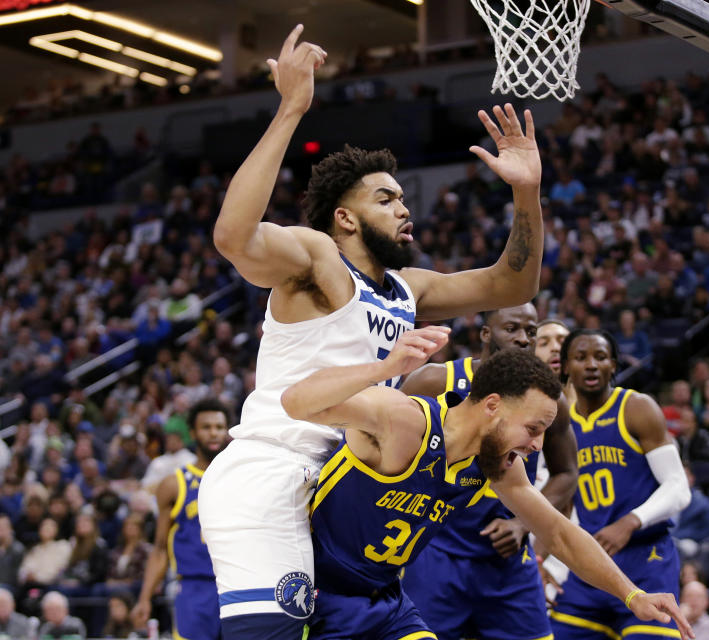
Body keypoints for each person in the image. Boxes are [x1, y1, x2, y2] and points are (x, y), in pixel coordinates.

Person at [199, 24, 546, 636]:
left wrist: (526, 195)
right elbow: (232, 237)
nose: (404, 208)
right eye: (386, 199)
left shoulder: (411, 287)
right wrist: (290, 110)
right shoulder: (315, 258)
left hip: (344, 486)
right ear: (345, 218)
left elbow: (511, 286)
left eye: (403, 197)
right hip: (276, 466)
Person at [280, 329, 693, 639]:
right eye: (534, 428)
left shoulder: (492, 464)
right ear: (492, 405)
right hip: (316, 595)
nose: (536, 446)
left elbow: (559, 533)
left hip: (385, 600)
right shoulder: (404, 421)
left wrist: (632, 594)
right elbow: (295, 401)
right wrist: (385, 370)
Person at [398, 304, 578, 640]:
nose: (523, 339)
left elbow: (567, 472)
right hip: (436, 553)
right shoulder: (435, 380)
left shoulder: (549, 400)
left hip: (507, 560)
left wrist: (523, 522)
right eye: (512, 329)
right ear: (485, 333)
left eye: (530, 331)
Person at [549, 329, 691, 640]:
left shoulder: (636, 407)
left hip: (646, 560)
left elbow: (678, 487)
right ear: (565, 367)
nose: (591, 365)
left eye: (600, 357)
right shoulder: (559, 425)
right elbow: (557, 505)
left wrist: (629, 522)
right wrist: (551, 563)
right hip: (591, 566)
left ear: (613, 365)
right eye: (581, 357)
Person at [133, 399, 230, 639]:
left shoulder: (241, 478)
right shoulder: (173, 484)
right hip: (194, 588)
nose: (213, 432)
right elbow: (159, 549)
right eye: (206, 427)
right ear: (193, 433)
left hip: (237, 585)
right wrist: (145, 597)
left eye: (219, 426)